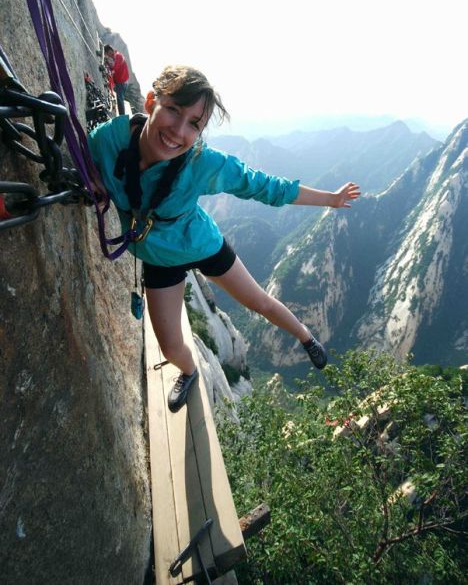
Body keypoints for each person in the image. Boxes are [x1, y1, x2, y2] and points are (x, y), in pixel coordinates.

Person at [88, 66, 360, 412]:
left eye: (194, 124)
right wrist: (95, 182)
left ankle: (306, 337)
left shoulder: (202, 163)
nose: (178, 130)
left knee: (259, 302)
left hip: (203, 243)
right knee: (170, 347)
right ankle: (189, 372)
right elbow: (85, 159)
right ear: (152, 100)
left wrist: (331, 199)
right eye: (173, 110)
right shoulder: (109, 140)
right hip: (160, 259)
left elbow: (265, 186)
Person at [104, 44, 130, 116]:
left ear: (110, 51)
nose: (108, 56)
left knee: (120, 100)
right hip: (120, 82)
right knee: (119, 98)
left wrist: (111, 70)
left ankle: (122, 117)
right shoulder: (116, 57)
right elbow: (114, 67)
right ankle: (122, 116)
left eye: (107, 53)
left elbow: (116, 67)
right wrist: (109, 65)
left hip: (122, 83)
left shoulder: (118, 56)